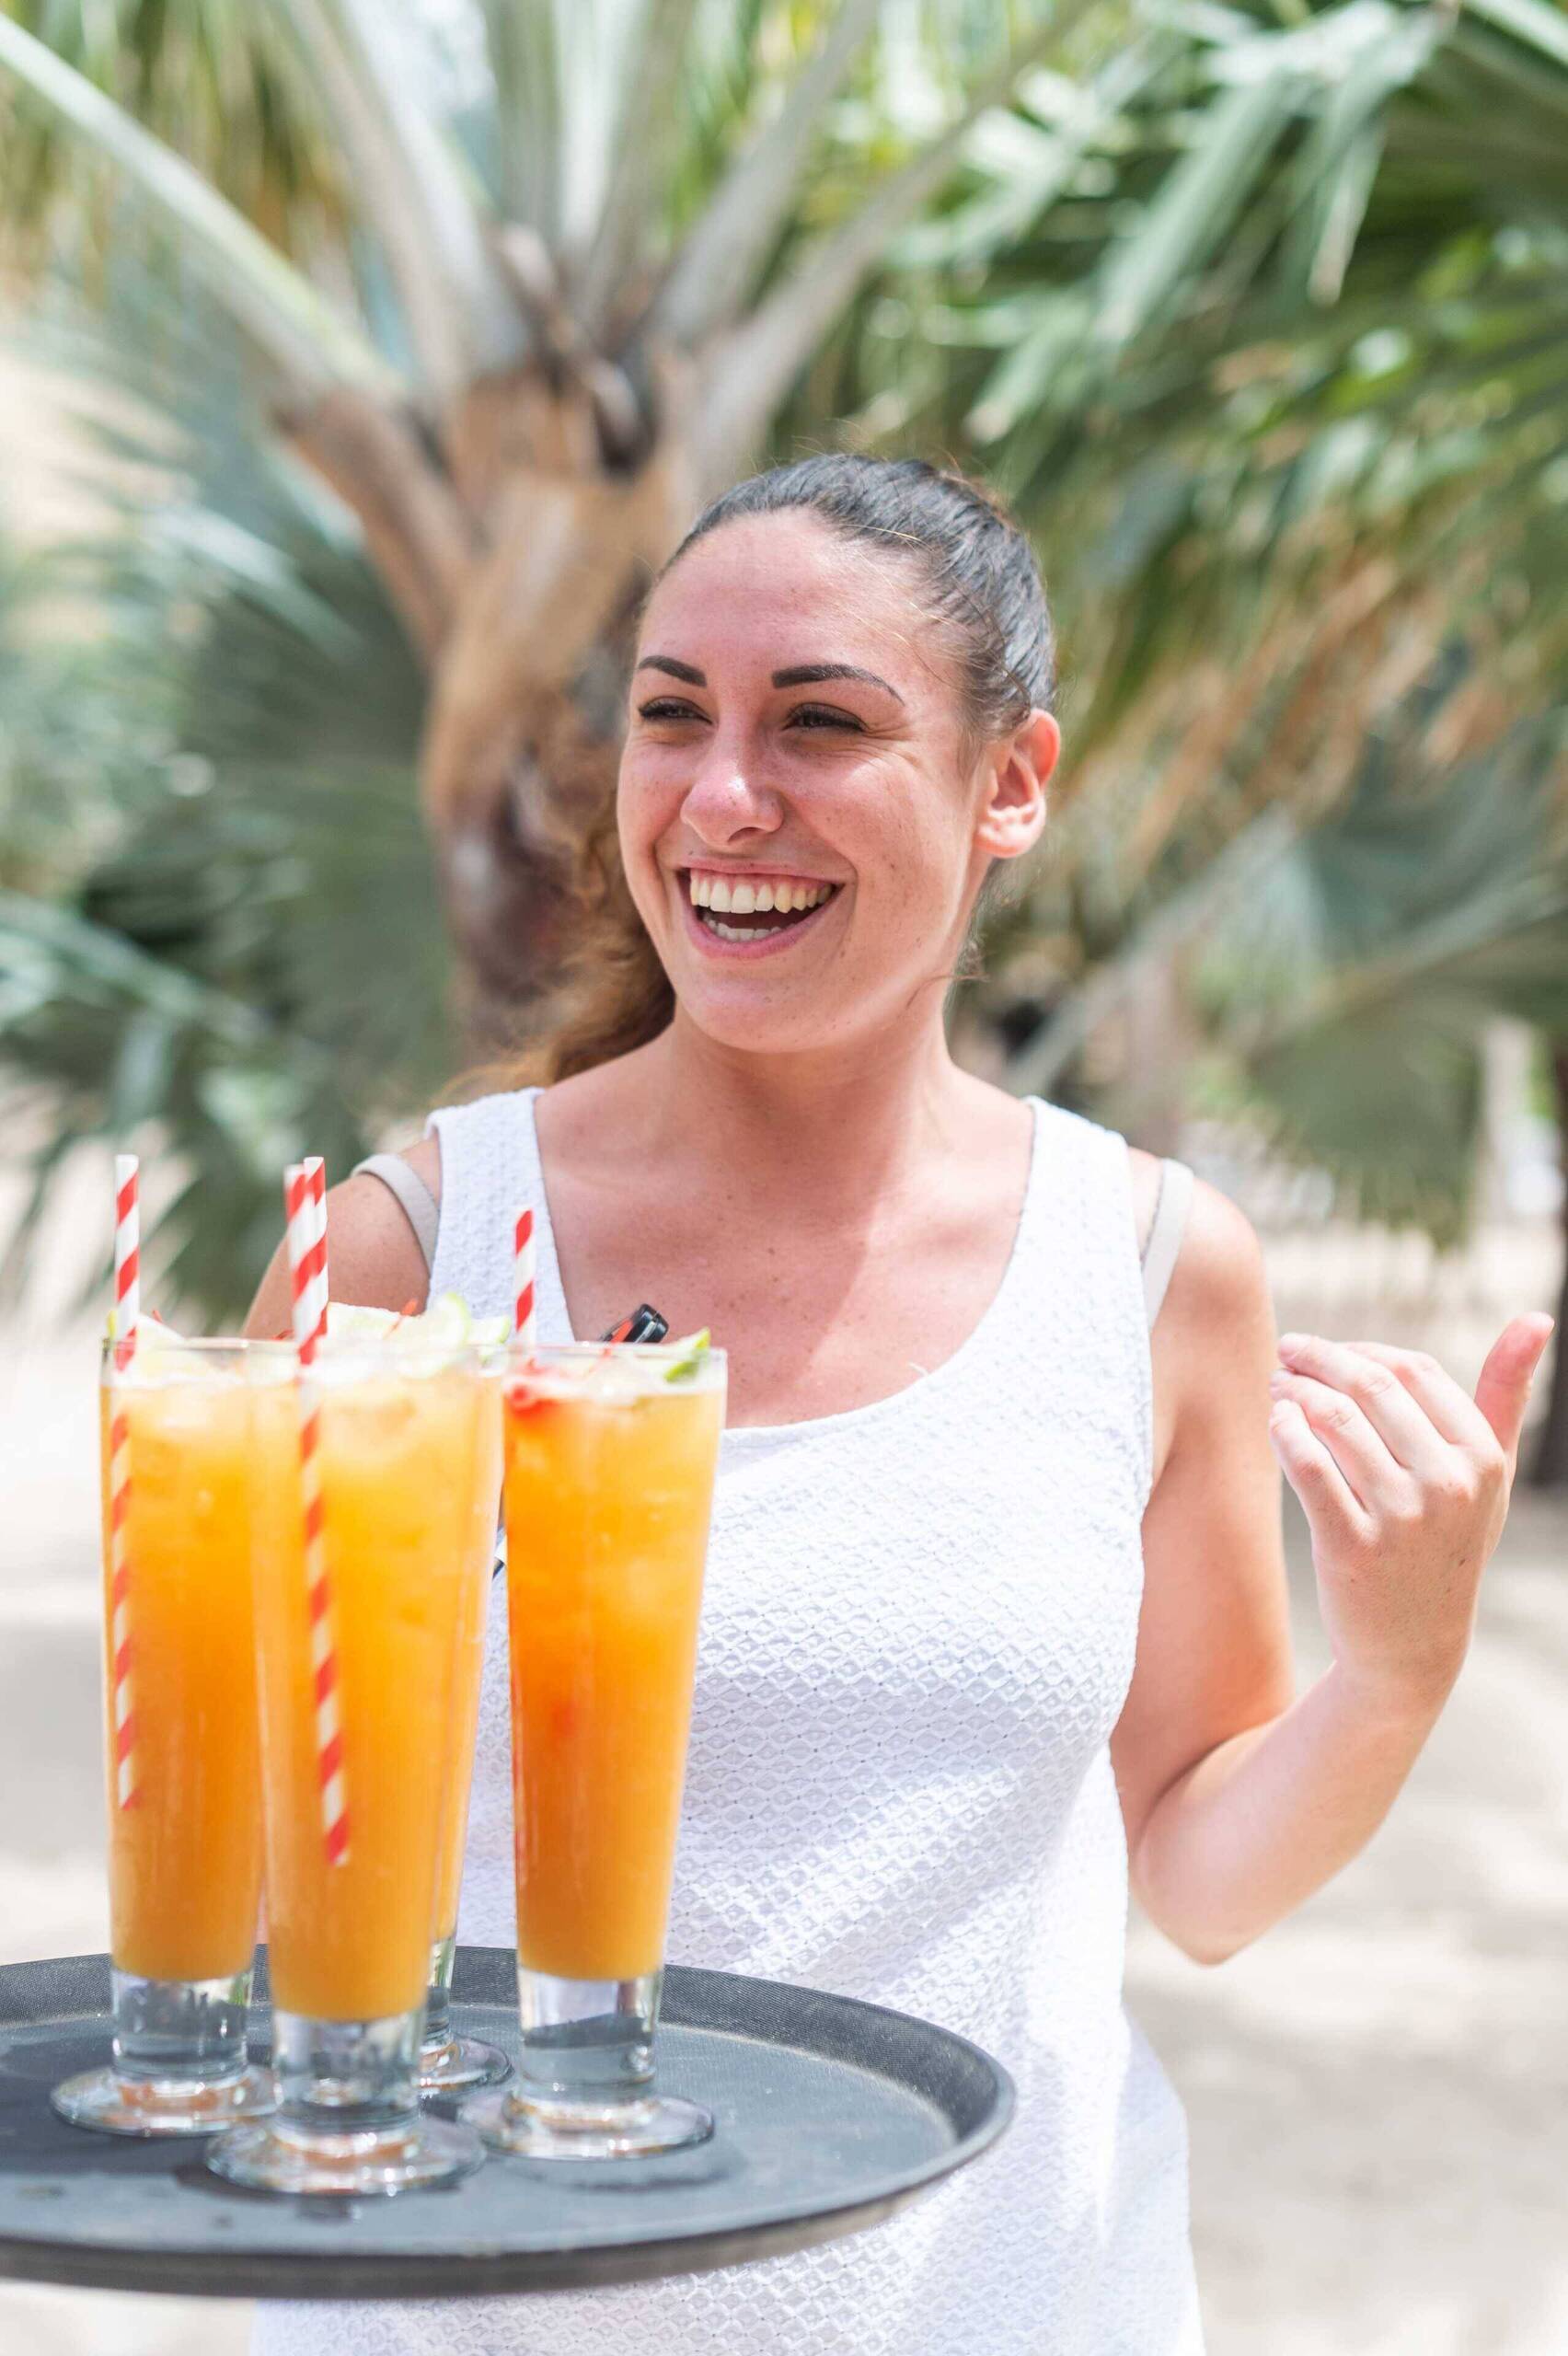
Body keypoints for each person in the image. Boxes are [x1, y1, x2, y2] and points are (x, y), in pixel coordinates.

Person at [247, 455, 1553, 2355]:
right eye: (670, 715)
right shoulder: (406, 1259)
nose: (721, 797)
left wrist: (1398, 1675)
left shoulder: (1149, 1268)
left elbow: (1200, 1866)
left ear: (1011, 781)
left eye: (822, 723)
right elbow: (260, 1844)